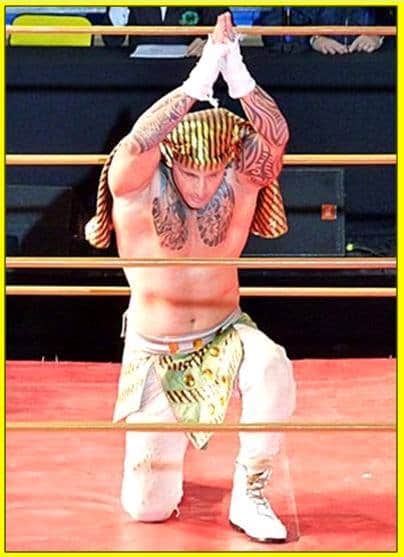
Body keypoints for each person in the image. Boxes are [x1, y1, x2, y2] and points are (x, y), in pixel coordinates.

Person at [86, 12, 296, 543]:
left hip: (225, 333)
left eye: (212, 172)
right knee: (148, 510)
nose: (201, 186)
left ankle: (251, 491)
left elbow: (275, 138)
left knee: (272, 365)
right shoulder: (137, 185)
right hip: (157, 349)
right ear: (170, 161)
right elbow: (137, 143)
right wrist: (199, 79)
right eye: (189, 172)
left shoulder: (238, 181)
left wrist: (238, 75)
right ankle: (163, 452)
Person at [102, 6, 226, 56]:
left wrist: (209, 43)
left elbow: (227, 27)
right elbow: (111, 40)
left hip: (189, 70)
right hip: (139, 70)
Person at [310, 8, 384, 55]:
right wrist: (314, 39)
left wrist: (377, 35)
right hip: (320, 58)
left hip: (371, 56)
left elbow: (387, 17)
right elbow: (304, 19)